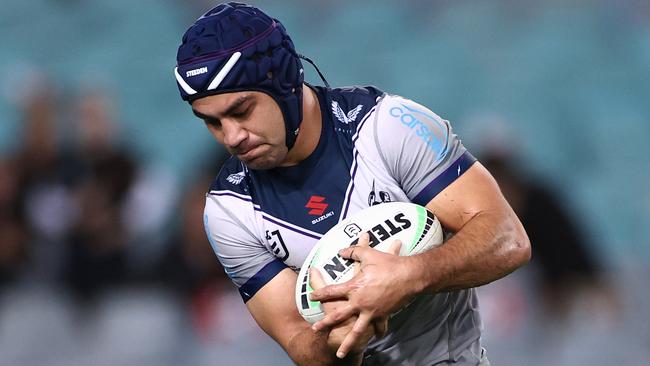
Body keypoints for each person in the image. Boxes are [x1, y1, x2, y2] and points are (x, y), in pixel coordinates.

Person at [173, 3, 530, 365]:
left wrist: (410, 276)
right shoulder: (228, 209)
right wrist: (341, 340)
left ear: (282, 81)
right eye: (212, 122)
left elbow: (508, 238)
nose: (232, 137)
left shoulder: (389, 128)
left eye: (241, 110)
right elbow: (298, 340)